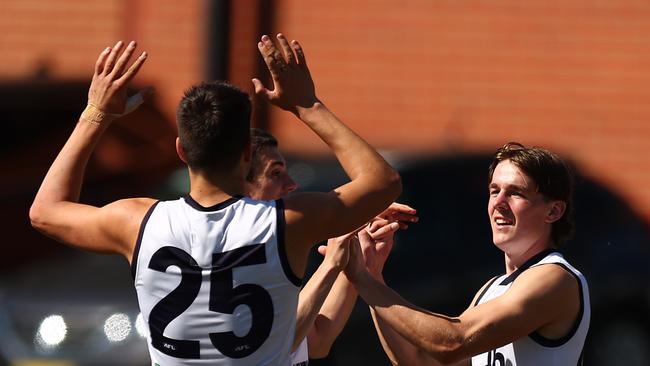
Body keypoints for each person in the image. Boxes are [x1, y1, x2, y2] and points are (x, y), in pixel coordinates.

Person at [30, 34, 401, 365]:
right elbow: (382, 181)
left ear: (181, 151)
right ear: (245, 153)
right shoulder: (289, 222)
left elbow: (45, 211)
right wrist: (307, 105)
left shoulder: (136, 221)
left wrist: (96, 114)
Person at [347, 142, 590, 365]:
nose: (499, 202)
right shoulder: (493, 288)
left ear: (554, 211)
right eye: (494, 191)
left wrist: (364, 280)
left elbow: (452, 342)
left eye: (515, 193)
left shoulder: (555, 278)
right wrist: (373, 274)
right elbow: (419, 361)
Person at [244, 128, 417, 365]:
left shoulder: (270, 248)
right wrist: (331, 263)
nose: (292, 184)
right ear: (241, 185)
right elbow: (280, 340)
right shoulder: (232, 255)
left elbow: (317, 340)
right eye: (276, 173)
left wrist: (358, 258)